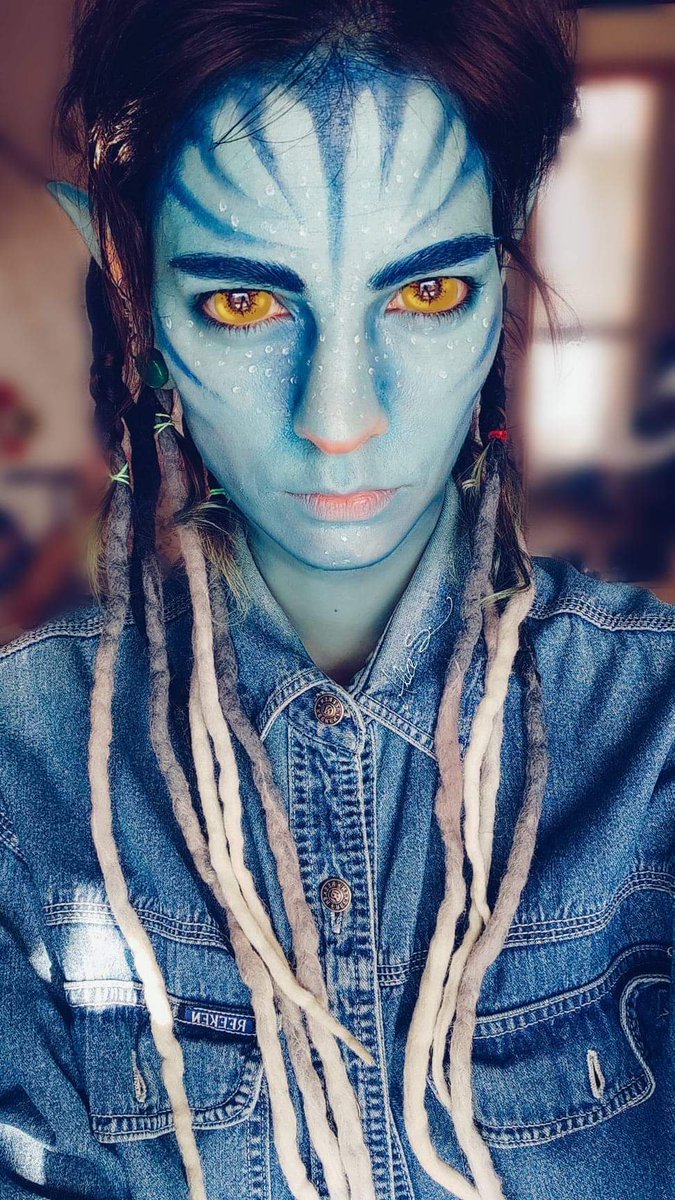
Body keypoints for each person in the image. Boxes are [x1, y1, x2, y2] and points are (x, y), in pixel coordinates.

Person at [0, 2, 673, 1198]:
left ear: (502, 261)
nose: (340, 418)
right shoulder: (22, 775)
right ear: (132, 286)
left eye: (426, 293)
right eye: (245, 303)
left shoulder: (654, 734)